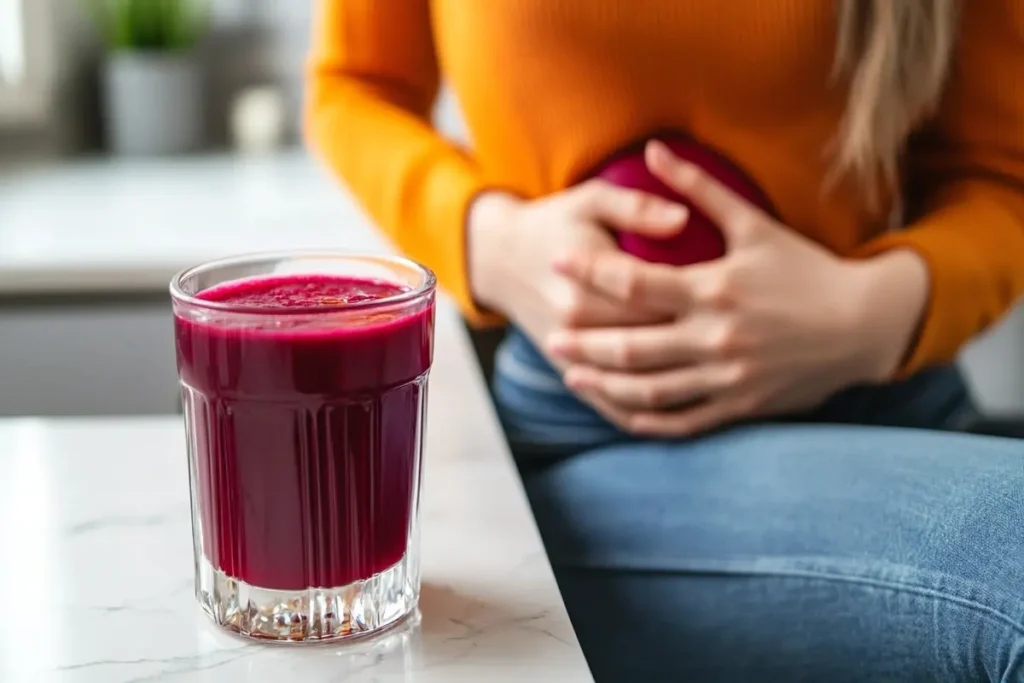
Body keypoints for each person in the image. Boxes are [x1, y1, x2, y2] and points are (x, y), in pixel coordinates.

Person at [306, 1, 1024, 680]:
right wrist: (491, 242)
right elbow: (355, 88)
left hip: (897, 407)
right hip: (604, 445)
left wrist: (862, 316)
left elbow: (998, 178)